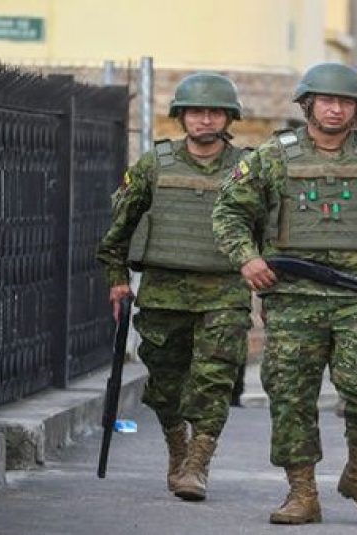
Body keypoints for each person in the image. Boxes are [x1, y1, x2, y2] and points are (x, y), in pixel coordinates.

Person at [212, 63, 357, 525]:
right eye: (326, 100)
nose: (335, 109)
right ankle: (302, 492)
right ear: (307, 103)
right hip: (294, 295)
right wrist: (246, 257)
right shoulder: (274, 156)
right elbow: (229, 210)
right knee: (291, 395)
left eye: (346, 102)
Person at [96, 73, 251, 502]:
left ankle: (197, 464)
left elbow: (274, 226)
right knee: (166, 384)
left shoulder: (250, 168)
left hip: (225, 291)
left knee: (214, 380)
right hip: (164, 291)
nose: (205, 120)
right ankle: (177, 447)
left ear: (228, 117)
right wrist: (117, 281)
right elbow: (120, 227)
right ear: (181, 117)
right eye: (196, 112)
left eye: (214, 112)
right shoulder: (154, 164)